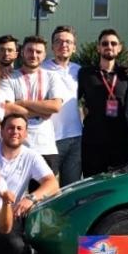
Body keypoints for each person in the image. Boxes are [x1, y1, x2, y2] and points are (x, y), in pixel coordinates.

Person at [78, 29, 128, 175]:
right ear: (98, 48)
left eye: (113, 43)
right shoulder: (85, 73)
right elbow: (73, 101)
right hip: (93, 142)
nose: (109, 46)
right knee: (92, 185)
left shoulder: (126, 74)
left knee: (119, 185)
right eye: (105, 43)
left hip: (120, 143)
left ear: (119, 48)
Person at [3, 35, 63, 168]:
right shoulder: (9, 77)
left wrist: (21, 103)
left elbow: (55, 106)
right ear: (22, 52)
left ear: (44, 55)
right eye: (30, 50)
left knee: (48, 182)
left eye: (38, 52)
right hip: (18, 147)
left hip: (46, 147)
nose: (34, 55)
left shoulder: (52, 76)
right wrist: (42, 111)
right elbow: (7, 109)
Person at [44, 26, 84, 184]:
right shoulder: (41, 69)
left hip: (76, 138)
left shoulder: (79, 71)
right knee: (47, 189)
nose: (64, 45)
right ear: (52, 46)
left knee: (71, 188)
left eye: (68, 42)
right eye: (58, 41)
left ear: (74, 47)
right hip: (49, 140)